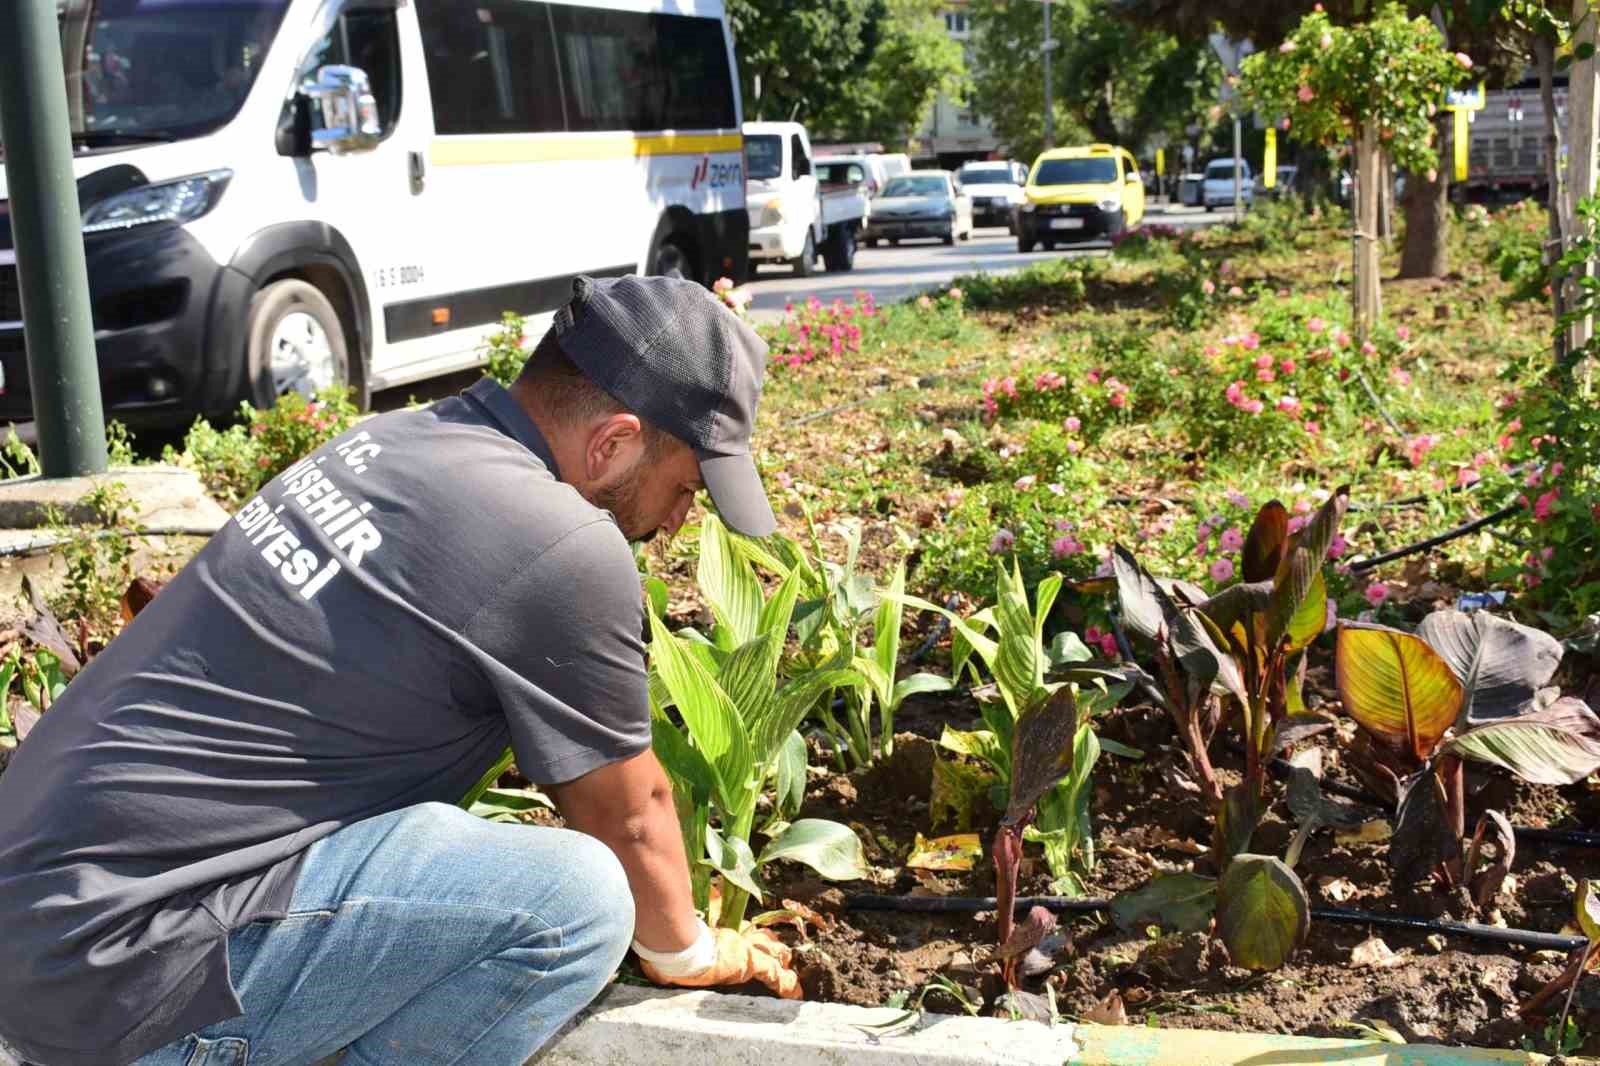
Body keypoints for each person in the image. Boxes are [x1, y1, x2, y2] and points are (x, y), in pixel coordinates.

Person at [0, 275, 797, 1066]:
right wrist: (689, 953)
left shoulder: (395, 441)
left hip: (40, 926)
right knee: (576, 901)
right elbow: (629, 817)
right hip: (114, 992)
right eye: (685, 487)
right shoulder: (561, 545)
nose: (677, 521)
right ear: (614, 442)